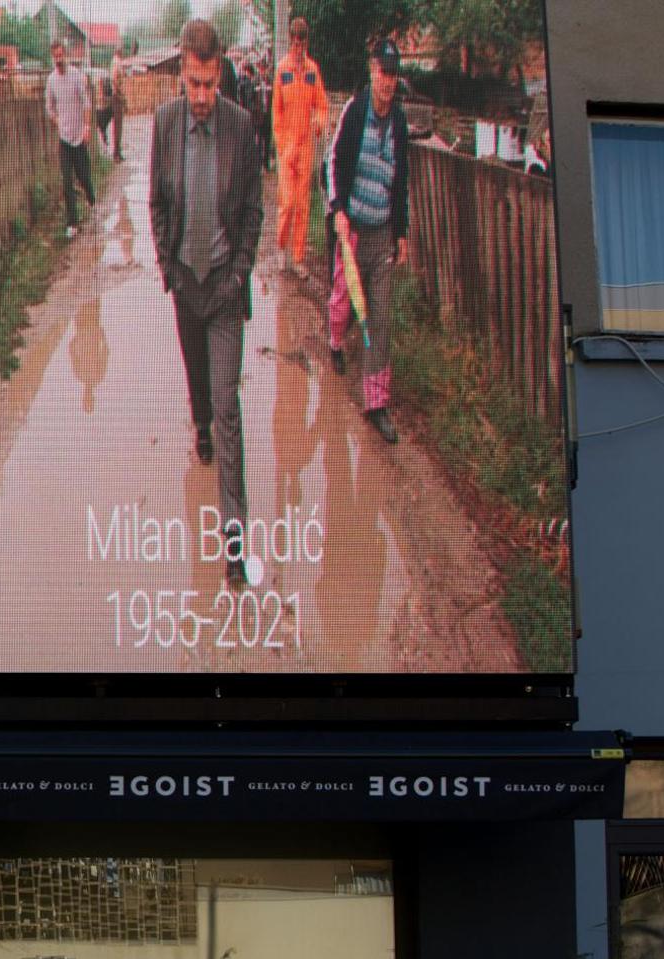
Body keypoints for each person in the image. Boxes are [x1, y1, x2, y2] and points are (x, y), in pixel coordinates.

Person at [149, 20, 264, 584]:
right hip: (185, 285)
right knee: (199, 388)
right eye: (193, 84)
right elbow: (157, 203)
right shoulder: (165, 124)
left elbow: (252, 216)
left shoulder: (242, 129)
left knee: (229, 409)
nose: (200, 97)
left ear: (220, 73)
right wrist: (167, 264)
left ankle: (235, 544)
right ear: (180, 74)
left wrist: (237, 276)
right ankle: (197, 427)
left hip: (222, 287)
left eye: (209, 84)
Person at [324, 38, 411, 444]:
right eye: (382, 72)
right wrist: (338, 209)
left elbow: (402, 181)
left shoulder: (400, 122)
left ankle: (376, 403)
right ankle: (335, 339)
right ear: (371, 71)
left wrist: (402, 232)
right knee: (343, 298)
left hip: (381, 234)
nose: (387, 82)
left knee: (381, 315)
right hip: (352, 229)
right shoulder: (355, 111)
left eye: (393, 75)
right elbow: (334, 161)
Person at [272, 16, 328, 269]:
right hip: (288, 146)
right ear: (290, 41)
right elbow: (277, 111)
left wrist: (319, 120)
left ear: (306, 42)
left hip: (306, 146)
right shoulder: (282, 70)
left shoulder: (312, 71)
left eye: (302, 44)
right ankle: (281, 248)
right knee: (288, 202)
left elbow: (322, 105)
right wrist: (282, 145)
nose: (298, 49)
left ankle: (297, 258)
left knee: (303, 204)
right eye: (294, 44)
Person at [46, 41, 96, 238]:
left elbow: (86, 103)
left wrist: (87, 127)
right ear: (52, 57)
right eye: (55, 57)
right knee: (67, 180)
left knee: (83, 175)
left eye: (61, 56)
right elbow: (49, 107)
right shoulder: (51, 81)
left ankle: (92, 199)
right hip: (64, 138)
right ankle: (72, 222)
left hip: (79, 136)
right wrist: (57, 120)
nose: (58, 60)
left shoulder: (76, 76)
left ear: (65, 55)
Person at [105, 46, 128, 161]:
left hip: (117, 96)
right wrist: (120, 93)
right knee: (118, 126)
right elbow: (115, 79)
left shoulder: (115, 62)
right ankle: (116, 154)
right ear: (120, 52)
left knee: (118, 126)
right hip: (117, 97)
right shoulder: (116, 62)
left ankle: (117, 152)